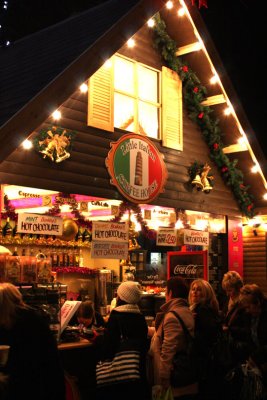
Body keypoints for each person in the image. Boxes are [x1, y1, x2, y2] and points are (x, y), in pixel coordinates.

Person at [0, 282, 65, 400]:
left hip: (20, 389)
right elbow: (52, 362)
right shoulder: (35, 319)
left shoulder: (10, 325)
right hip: (40, 387)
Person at [96, 281, 149, 400]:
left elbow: (108, 348)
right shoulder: (140, 318)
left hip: (120, 378)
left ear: (122, 297)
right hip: (137, 374)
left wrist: (99, 340)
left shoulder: (116, 316)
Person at [149, 276, 198, 400]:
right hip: (186, 375)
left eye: (166, 291)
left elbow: (168, 349)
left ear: (170, 293)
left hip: (176, 379)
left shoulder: (172, 315)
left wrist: (164, 378)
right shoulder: (185, 310)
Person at [188, 279, 221, 399]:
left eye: (199, 289)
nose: (195, 292)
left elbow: (207, 335)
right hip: (207, 359)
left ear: (206, 293)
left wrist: (190, 322)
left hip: (203, 360)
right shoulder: (198, 308)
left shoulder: (202, 310)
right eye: (193, 289)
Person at [221, 271, 250, 365]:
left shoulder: (245, 304)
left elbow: (248, 329)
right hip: (230, 347)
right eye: (226, 290)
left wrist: (230, 329)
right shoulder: (228, 301)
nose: (227, 293)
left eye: (230, 290)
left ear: (238, 288)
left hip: (240, 348)